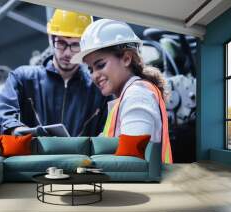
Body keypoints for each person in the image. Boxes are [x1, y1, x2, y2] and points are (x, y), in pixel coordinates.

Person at [0, 9, 111, 137]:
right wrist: (14, 128)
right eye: (61, 43)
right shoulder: (23, 78)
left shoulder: (98, 88)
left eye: (75, 45)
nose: (68, 53)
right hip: (34, 156)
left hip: (80, 157)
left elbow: (110, 130)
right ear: (51, 39)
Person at [71, 19, 173, 163]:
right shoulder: (128, 97)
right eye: (90, 69)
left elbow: (132, 161)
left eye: (100, 65)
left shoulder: (137, 96)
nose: (94, 75)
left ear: (126, 59)